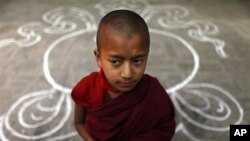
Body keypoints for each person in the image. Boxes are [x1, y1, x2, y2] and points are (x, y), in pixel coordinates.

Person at [71, 9, 176, 141]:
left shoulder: (153, 91)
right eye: (115, 61)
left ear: (147, 56)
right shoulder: (87, 87)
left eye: (137, 61)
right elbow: (79, 123)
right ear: (98, 58)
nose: (127, 74)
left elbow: (165, 128)